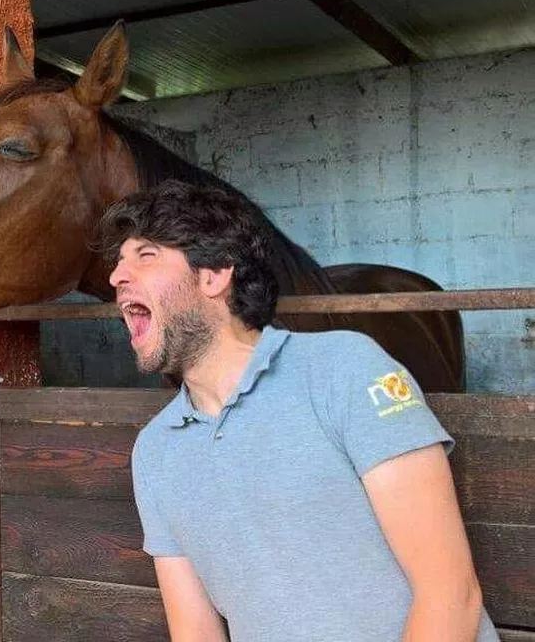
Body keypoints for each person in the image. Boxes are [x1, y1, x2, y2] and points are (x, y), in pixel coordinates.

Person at [98, 179, 498, 642]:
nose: (115, 277)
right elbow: (195, 631)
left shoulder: (346, 370)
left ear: (213, 275)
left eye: (145, 256)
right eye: (118, 262)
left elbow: (451, 595)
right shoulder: (155, 451)